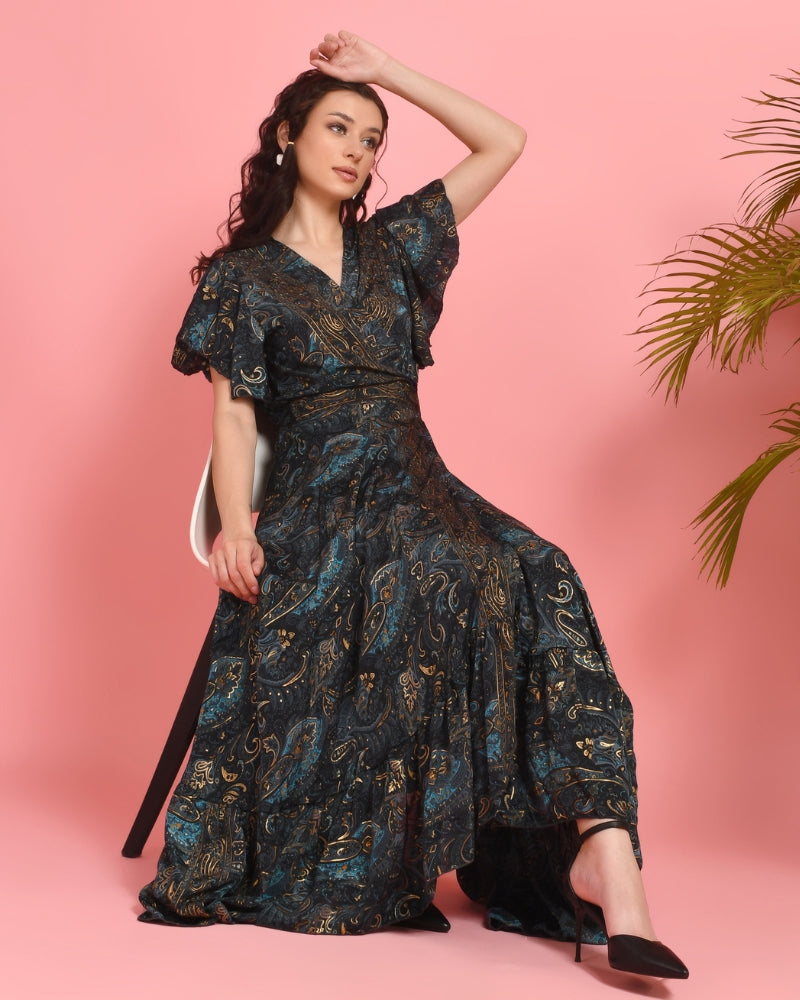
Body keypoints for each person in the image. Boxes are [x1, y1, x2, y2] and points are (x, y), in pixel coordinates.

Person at [139, 30, 688, 980]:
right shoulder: (242, 277)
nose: (357, 149)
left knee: (540, 568)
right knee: (445, 574)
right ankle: (598, 860)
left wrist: (387, 71)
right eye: (338, 127)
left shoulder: (394, 245)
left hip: (418, 481)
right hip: (319, 501)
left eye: (372, 138)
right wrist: (234, 526)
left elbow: (504, 141)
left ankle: (607, 849)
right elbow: (234, 415)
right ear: (287, 135)